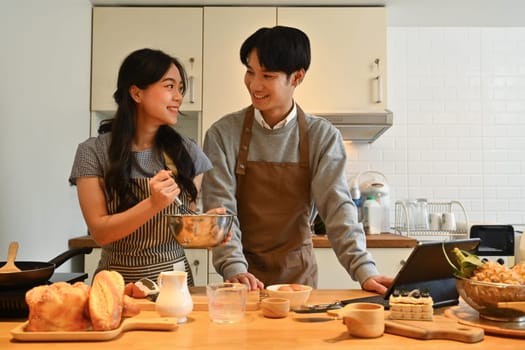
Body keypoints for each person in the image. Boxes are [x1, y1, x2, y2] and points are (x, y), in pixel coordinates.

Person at [202, 26, 393, 293]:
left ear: (297, 77)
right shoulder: (223, 134)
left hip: (298, 278)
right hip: (242, 278)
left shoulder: (322, 136)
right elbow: (221, 211)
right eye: (249, 72)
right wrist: (235, 268)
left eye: (267, 75)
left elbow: (337, 207)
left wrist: (364, 270)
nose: (254, 85)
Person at [69, 48, 226, 285]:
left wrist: (208, 229)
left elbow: (183, 232)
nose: (178, 97)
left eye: (180, 89)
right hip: (116, 283)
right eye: (169, 86)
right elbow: (100, 233)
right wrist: (153, 203)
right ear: (136, 93)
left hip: (175, 283)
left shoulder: (187, 152)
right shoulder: (93, 152)